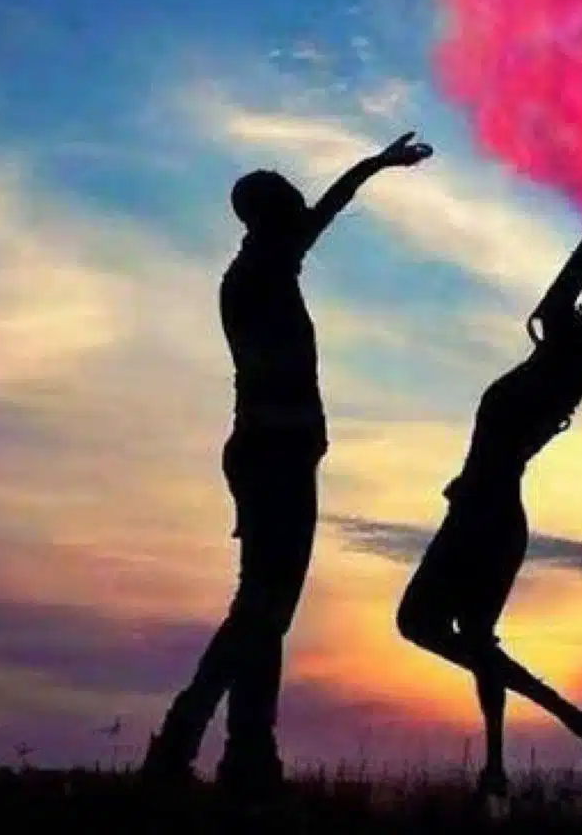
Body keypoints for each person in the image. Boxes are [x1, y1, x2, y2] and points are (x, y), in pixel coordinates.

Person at [143, 131, 433, 799]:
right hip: (273, 456)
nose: (303, 214)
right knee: (259, 610)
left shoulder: (264, 270)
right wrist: (375, 166)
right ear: (267, 218)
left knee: (266, 614)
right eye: (290, 205)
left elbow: (324, 211)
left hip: (279, 454)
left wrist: (376, 164)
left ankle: (248, 756)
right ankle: (187, 741)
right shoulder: (257, 277)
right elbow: (322, 217)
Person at [396, 213, 582, 805]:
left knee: (420, 624)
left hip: (483, 514)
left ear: (572, 342)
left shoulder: (544, 381)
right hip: (493, 514)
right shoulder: (551, 385)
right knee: (476, 640)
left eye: (572, 323)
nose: (563, 318)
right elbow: (553, 310)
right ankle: (510, 756)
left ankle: (557, 721)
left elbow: (553, 304)